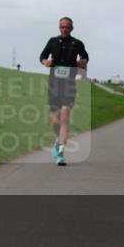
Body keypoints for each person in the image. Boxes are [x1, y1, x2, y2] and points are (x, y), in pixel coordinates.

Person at [39, 17, 89, 166]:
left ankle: (61, 153)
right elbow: (42, 56)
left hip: (69, 85)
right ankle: (57, 139)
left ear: (72, 28)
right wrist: (45, 62)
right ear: (59, 28)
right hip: (54, 85)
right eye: (62, 27)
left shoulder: (77, 43)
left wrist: (83, 62)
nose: (64, 29)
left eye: (67, 27)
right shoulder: (52, 41)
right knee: (55, 121)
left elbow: (85, 57)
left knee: (65, 116)